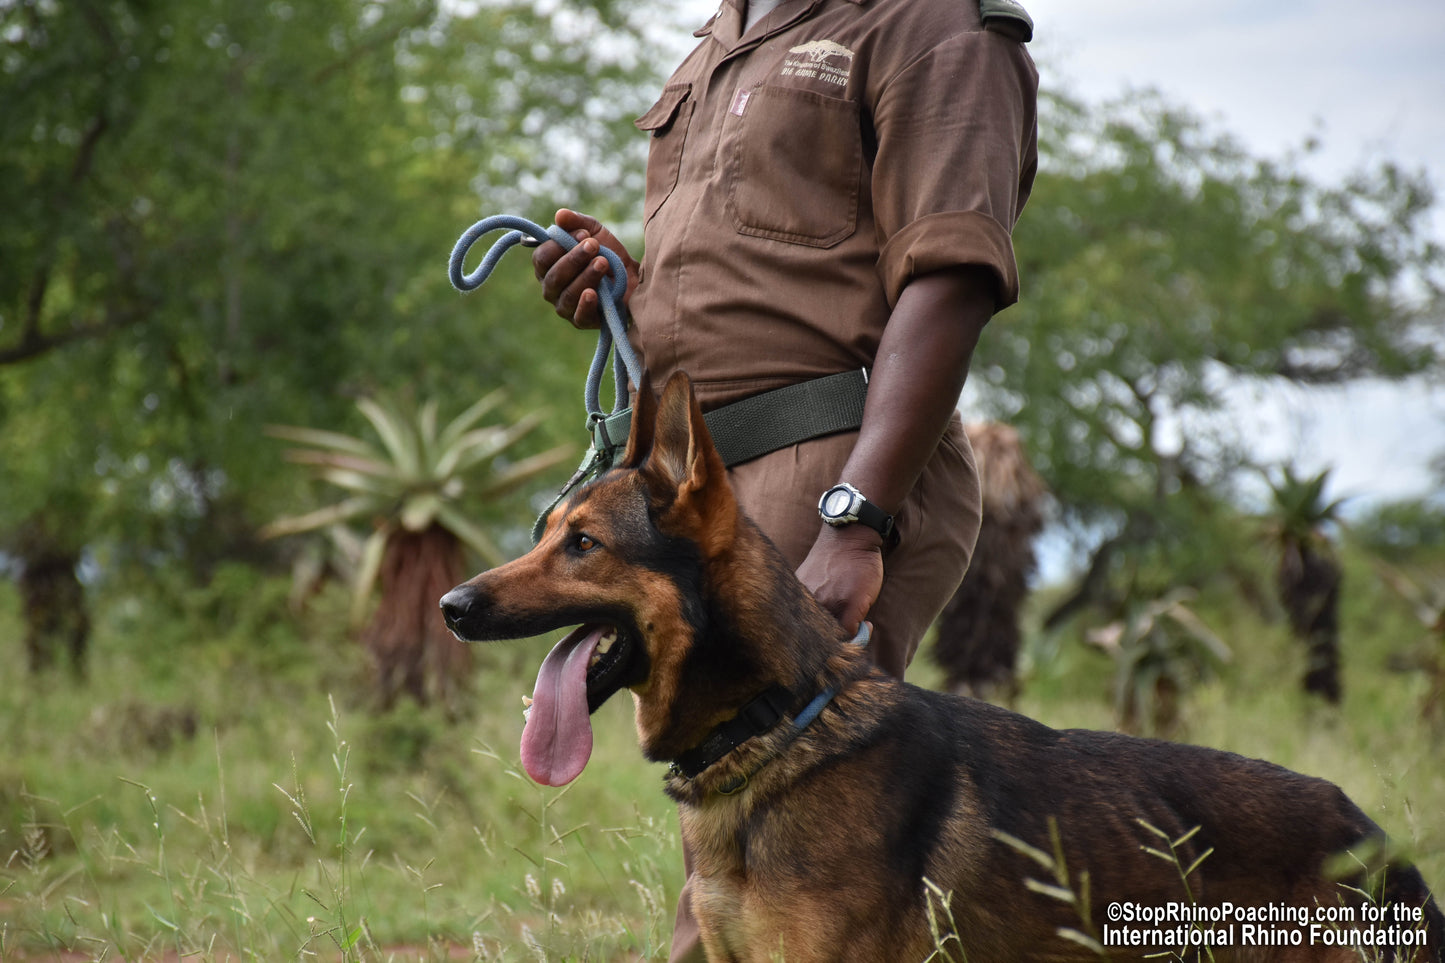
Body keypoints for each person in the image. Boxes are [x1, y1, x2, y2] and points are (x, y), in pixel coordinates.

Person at [532, 0, 1037, 956]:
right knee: (732, 841)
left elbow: (950, 277)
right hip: (703, 481)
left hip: (830, 465)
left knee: (790, 846)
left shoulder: (930, 22)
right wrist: (623, 296)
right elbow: (764, 278)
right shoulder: (727, 29)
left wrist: (855, 518)